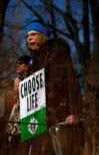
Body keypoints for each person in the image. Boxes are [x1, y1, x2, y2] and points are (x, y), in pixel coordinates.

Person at [24, 20, 82, 154]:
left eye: (33, 34)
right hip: (38, 122)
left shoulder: (57, 55)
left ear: (43, 35)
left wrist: (73, 111)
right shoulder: (32, 62)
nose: (29, 38)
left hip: (59, 116)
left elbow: (71, 82)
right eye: (27, 36)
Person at [6, 55, 31, 143]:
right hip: (15, 125)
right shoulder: (15, 81)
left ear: (27, 66)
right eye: (16, 63)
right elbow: (14, 106)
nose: (17, 65)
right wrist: (10, 131)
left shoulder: (32, 80)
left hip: (27, 123)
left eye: (20, 63)